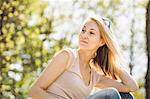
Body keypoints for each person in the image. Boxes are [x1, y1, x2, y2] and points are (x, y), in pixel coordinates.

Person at [28, 16, 138, 99]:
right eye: (83, 30)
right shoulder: (67, 56)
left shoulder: (95, 75)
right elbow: (34, 91)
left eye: (91, 33)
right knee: (112, 94)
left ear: (101, 42)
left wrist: (114, 65)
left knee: (125, 97)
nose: (84, 35)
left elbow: (131, 87)